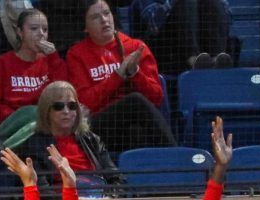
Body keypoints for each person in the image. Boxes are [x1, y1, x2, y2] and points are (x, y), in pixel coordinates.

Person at [66, 0, 177, 156]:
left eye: (106, 13)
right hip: (99, 125)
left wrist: (135, 73)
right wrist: (117, 76)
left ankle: (139, 178)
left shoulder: (136, 47)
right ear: (85, 27)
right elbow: (85, 102)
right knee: (135, 100)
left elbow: (156, 98)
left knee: (136, 132)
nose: (104, 20)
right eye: (95, 17)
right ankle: (177, 156)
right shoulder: (76, 54)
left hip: (133, 125)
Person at [0, 9, 66, 147]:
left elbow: (62, 94)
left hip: (45, 130)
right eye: (34, 28)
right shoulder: (1, 64)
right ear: (20, 32)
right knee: (32, 113)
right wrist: (21, 116)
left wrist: (54, 58)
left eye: (45, 30)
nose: (41, 34)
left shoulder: (52, 63)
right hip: (8, 129)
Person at [17, 81, 118, 186]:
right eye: (58, 106)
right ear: (46, 111)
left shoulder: (92, 140)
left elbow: (116, 178)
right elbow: (42, 189)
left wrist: (111, 197)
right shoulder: (34, 145)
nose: (66, 111)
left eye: (71, 105)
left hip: (98, 199)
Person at [129, 0, 233, 75]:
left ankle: (216, 61)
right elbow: (153, 25)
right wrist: (172, 3)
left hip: (201, 47)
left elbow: (228, 17)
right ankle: (194, 61)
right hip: (164, 51)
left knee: (211, 3)